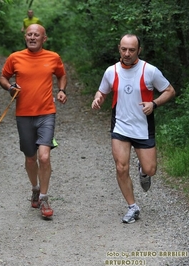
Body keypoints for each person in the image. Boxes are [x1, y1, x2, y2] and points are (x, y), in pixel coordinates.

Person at [91, 33, 175, 224]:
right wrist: (98, 98)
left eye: (131, 50)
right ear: (119, 48)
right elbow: (102, 91)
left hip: (142, 127)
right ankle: (132, 207)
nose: (127, 53)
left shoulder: (150, 71)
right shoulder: (111, 71)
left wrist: (154, 104)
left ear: (139, 50)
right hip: (120, 126)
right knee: (121, 167)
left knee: (151, 169)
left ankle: (143, 170)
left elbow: (169, 91)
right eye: (124, 49)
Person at [0, 24, 67, 218]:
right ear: (25, 37)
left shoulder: (53, 57)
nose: (32, 37)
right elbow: (3, 78)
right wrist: (10, 87)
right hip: (23, 114)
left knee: (44, 157)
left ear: (44, 38)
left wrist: (61, 90)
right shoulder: (15, 58)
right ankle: (35, 188)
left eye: (36, 35)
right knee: (30, 158)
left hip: (47, 113)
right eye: (29, 34)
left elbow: (61, 75)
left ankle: (44, 198)